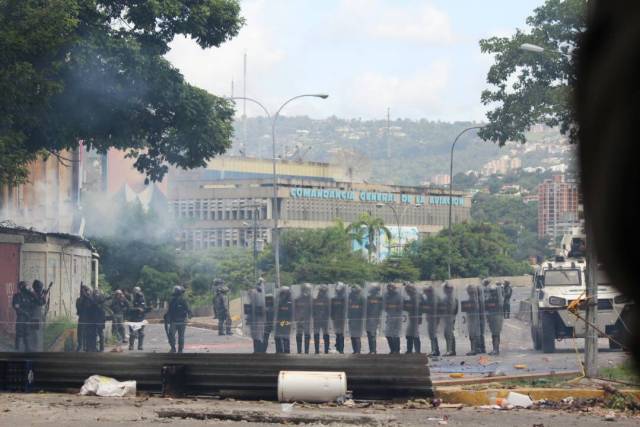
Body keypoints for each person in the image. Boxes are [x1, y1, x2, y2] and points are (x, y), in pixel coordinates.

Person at [166, 285, 191, 353]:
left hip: (176, 321)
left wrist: (167, 318)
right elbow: (189, 310)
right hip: (179, 321)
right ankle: (178, 349)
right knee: (180, 336)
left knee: (172, 335)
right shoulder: (182, 300)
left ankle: (175, 349)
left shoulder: (174, 300)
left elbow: (169, 311)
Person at [12, 281, 34, 352]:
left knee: (27, 333)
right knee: (19, 333)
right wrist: (25, 313)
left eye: (26, 286)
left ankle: (27, 348)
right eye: (25, 286)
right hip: (21, 317)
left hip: (27, 318)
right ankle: (17, 348)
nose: (26, 287)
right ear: (21, 287)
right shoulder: (17, 296)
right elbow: (17, 307)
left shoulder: (28, 295)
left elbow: (34, 303)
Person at [462, 284, 482, 356]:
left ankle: (473, 350)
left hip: (472, 318)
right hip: (474, 318)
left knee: (472, 334)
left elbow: (466, 308)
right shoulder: (476, 299)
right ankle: (477, 349)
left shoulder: (471, 299)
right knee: (476, 333)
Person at [485, 283, 504, 355]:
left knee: (495, 334)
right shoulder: (491, 299)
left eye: (492, 291)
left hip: (496, 317)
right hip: (492, 317)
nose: (491, 293)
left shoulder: (497, 300)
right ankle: (495, 349)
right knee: (494, 334)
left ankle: (496, 350)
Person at [383, 283, 402, 354]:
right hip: (389, 317)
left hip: (397, 317)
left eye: (391, 288)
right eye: (388, 288)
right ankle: (392, 349)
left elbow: (400, 308)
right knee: (388, 334)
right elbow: (384, 307)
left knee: (395, 334)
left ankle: (397, 350)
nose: (389, 289)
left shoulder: (399, 296)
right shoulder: (386, 295)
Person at [248, 279, 266, 353]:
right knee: (257, 335)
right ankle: (257, 350)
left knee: (258, 335)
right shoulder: (257, 293)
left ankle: (258, 350)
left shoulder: (260, 293)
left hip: (259, 318)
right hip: (257, 318)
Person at [294, 284, 313, 354]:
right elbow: (295, 309)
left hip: (307, 319)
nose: (308, 291)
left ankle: (306, 351)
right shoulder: (298, 299)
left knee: (307, 335)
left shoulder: (310, 298)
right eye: (307, 289)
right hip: (300, 320)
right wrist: (297, 318)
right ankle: (299, 351)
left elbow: (312, 309)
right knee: (299, 335)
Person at [441, 282, 458, 356]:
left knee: (448, 334)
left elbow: (451, 308)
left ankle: (450, 350)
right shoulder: (452, 297)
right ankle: (451, 350)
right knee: (449, 334)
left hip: (448, 317)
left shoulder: (449, 297)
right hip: (450, 317)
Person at [29, 280, 48, 351]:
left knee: (38, 335)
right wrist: (44, 295)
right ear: (36, 287)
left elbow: (41, 301)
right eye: (40, 287)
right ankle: (34, 350)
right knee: (35, 335)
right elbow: (41, 302)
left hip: (37, 317)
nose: (41, 289)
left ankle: (36, 349)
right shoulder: (33, 294)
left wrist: (43, 295)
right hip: (34, 318)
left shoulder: (36, 294)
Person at [312, 284, 331, 354]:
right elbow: (329, 311)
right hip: (323, 319)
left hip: (318, 319)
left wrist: (315, 316)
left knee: (318, 334)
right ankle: (325, 350)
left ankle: (317, 350)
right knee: (325, 335)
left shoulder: (316, 298)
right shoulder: (327, 299)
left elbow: (313, 310)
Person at [421, 285, 439, 356]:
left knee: (433, 334)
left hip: (434, 318)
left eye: (425, 291)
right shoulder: (429, 298)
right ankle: (434, 350)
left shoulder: (433, 298)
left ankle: (435, 350)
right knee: (431, 334)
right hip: (430, 318)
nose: (424, 293)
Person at [365, 284, 383, 354]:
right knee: (369, 333)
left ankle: (373, 350)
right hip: (368, 317)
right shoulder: (369, 297)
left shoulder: (380, 298)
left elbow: (381, 308)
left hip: (374, 317)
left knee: (372, 334)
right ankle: (372, 350)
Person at [404, 283, 422, 354]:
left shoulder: (416, 296)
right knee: (409, 335)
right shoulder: (411, 296)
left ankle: (416, 351)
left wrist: (419, 318)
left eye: (407, 289)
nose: (407, 291)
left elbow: (418, 308)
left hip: (415, 318)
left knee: (414, 335)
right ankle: (410, 350)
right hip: (412, 317)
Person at [274, 286, 293, 353]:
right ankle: (281, 350)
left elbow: (290, 312)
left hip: (285, 321)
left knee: (284, 336)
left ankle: (285, 350)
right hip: (282, 321)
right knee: (279, 337)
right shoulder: (280, 300)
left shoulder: (288, 301)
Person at [330, 283, 347, 354]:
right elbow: (332, 309)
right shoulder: (334, 298)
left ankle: (341, 349)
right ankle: (338, 348)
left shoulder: (343, 298)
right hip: (337, 318)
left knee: (340, 334)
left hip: (340, 318)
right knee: (338, 334)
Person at [347, 285, 365, 354]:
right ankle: (355, 350)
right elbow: (348, 307)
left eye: (354, 289)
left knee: (357, 336)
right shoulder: (350, 297)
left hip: (358, 319)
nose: (353, 290)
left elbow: (363, 309)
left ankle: (357, 351)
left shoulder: (361, 298)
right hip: (351, 319)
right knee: (352, 336)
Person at [128, 286, 146, 351]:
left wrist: (146, 309)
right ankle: (131, 346)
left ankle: (140, 346)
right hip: (133, 318)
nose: (137, 293)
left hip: (141, 318)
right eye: (136, 291)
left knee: (141, 333)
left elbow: (144, 307)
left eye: (138, 291)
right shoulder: (131, 298)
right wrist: (137, 309)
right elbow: (129, 308)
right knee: (132, 333)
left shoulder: (142, 298)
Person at [75, 284, 92, 352]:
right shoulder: (79, 299)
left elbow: (92, 305)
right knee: (80, 333)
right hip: (82, 317)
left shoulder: (89, 298)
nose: (83, 292)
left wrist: (87, 297)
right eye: (82, 291)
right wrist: (83, 298)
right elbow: (78, 308)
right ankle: (80, 346)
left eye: (84, 291)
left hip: (89, 318)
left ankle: (86, 346)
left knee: (88, 333)